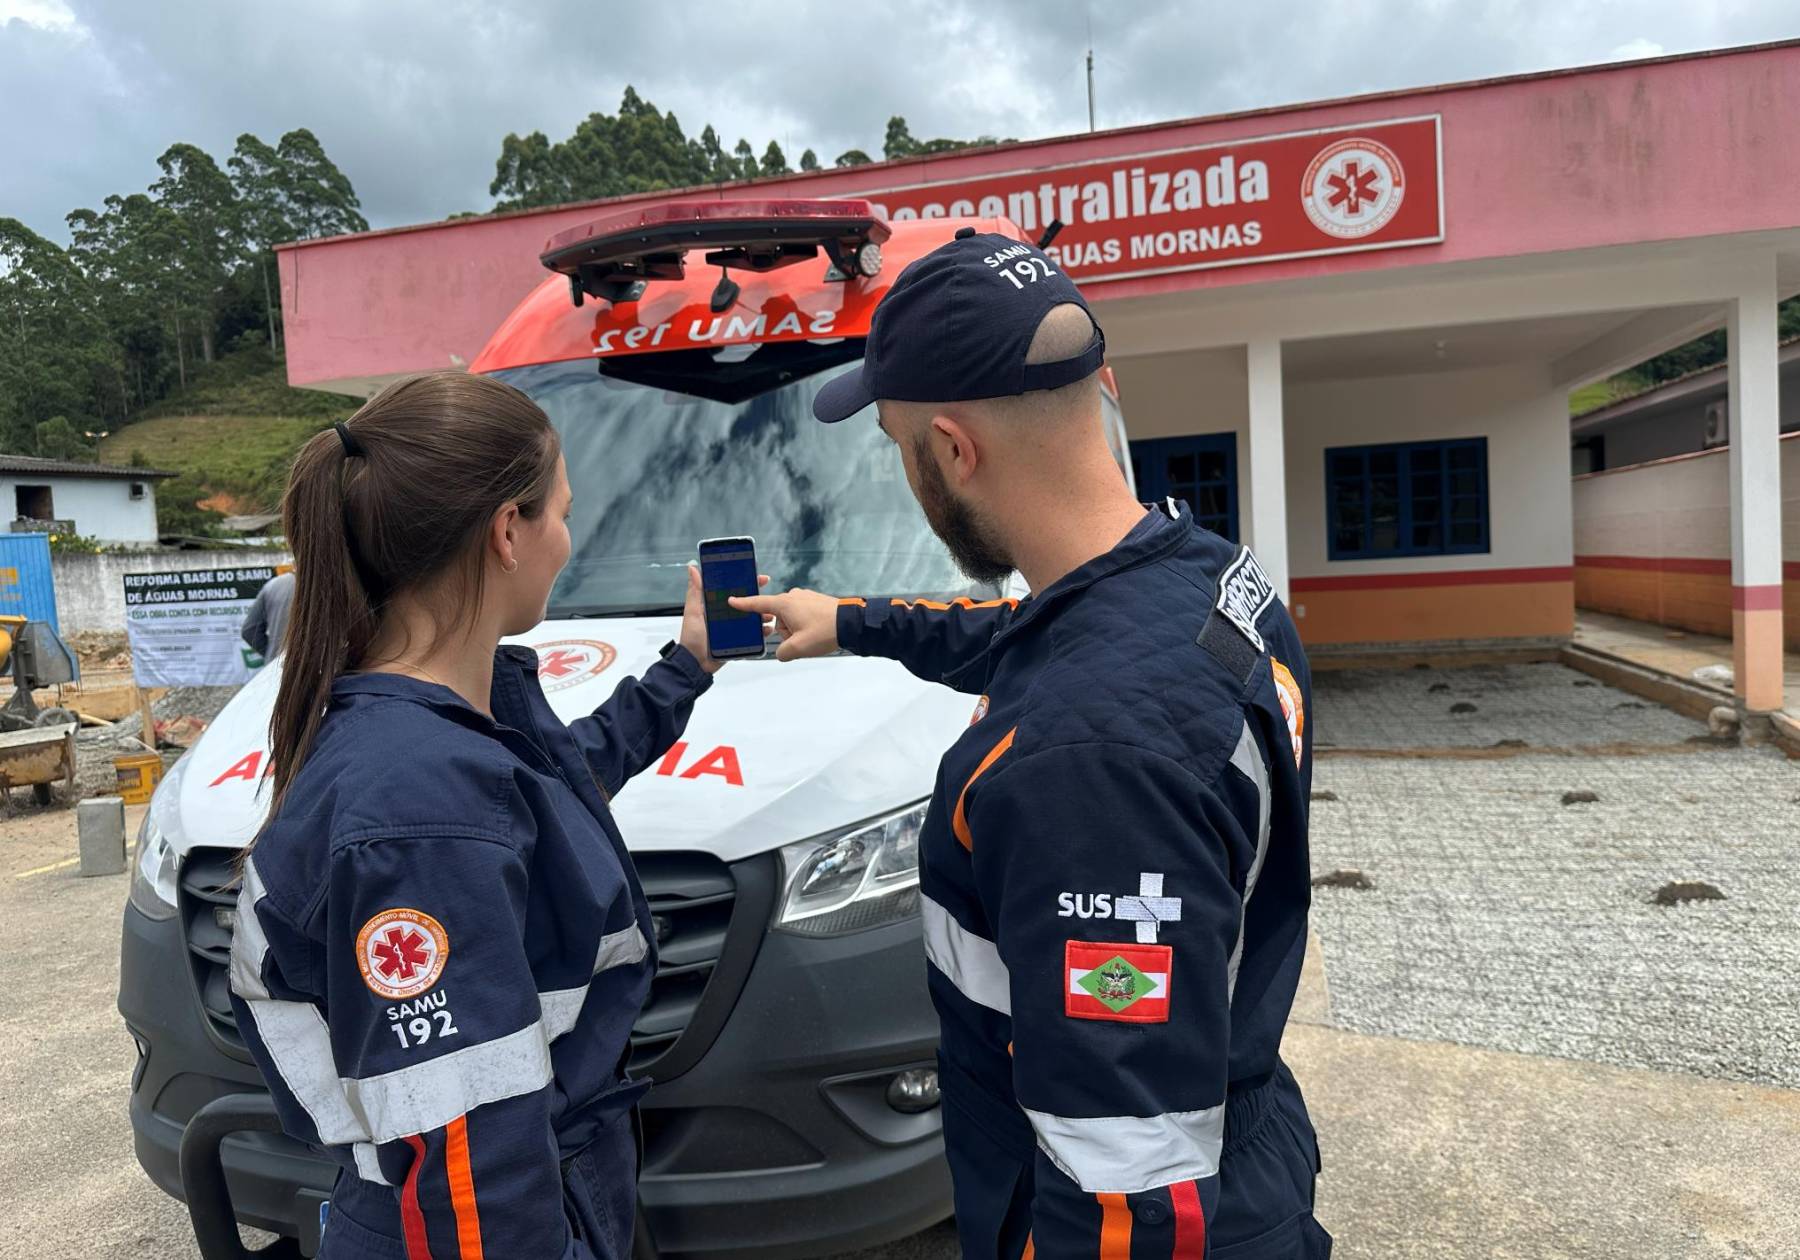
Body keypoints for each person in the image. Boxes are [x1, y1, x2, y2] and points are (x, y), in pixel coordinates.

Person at [736, 230, 1329, 1259]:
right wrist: (852, 622)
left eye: (899, 445)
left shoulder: (1085, 765)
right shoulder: (1203, 575)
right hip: (1245, 1123)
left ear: (953, 450)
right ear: (1095, 387)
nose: (910, 471)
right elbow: (1035, 636)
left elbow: (1128, 1184)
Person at [228, 372, 759, 1259]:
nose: (568, 540)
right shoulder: (420, 811)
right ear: (508, 532)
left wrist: (688, 666)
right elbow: (469, 1169)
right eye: (563, 513)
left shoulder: (428, 731)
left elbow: (561, 785)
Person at [240, 568, 294, 659]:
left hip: (276, 663)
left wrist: (272, 654)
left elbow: (249, 630)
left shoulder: (273, 585)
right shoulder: (318, 587)